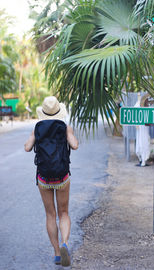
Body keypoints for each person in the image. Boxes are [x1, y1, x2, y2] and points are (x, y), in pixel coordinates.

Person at [24, 96, 78, 266]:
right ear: (58, 111)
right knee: (64, 213)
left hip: (44, 177)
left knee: (50, 214)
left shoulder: (37, 128)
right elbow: (75, 145)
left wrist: (34, 138)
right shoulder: (65, 127)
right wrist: (71, 134)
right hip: (62, 176)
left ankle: (56, 253)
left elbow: (27, 147)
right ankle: (65, 244)